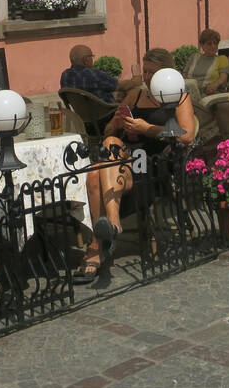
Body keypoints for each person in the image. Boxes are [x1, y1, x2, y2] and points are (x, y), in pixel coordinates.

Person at [77, 49, 198, 284]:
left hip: (155, 164)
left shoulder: (178, 95)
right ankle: (112, 226)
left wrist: (146, 128)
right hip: (127, 159)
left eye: (152, 72)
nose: (147, 76)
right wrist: (117, 122)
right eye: (144, 71)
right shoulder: (134, 95)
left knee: (94, 174)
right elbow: (108, 132)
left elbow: (186, 137)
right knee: (106, 151)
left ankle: (96, 246)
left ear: (166, 73)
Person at [183, 29, 229, 95]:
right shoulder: (194, 57)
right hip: (190, 91)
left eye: (215, 43)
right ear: (202, 45)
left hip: (209, 92)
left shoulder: (222, 59)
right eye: (209, 44)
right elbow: (184, 75)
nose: (213, 46)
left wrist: (215, 85)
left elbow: (223, 78)